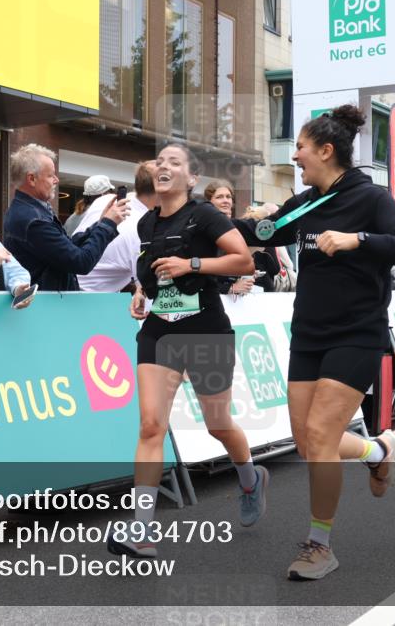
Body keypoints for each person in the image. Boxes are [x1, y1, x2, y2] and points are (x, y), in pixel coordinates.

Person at [234, 105, 395, 580]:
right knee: (307, 441)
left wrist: (357, 239)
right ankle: (379, 452)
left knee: (320, 436)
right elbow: (260, 234)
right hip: (309, 334)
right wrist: (201, 224)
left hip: (357, 333)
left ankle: (319, 545)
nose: (295, 155)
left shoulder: (370, 198)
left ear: (325, 150)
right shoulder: (303, 202)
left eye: (300, 147)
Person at [108, 143, 265, 559]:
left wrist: (192, 265)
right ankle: (142, 531)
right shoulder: (145, 225)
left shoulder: (205, 215)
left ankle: (249, 477)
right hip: (160, 329)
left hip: (206, 330)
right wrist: (141, 293)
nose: (163, 166)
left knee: (218, 424)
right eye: (160, 161)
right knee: (150, 426)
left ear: (191, 178)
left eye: (174, 163)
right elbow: (153, 270)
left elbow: (243, 261)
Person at [3, 144, 130, 291]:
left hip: (49, 305)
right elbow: (81, 262)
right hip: (49, 308)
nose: (56, 180)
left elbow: (68, 248)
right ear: (31, 179)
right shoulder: (34, 220)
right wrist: (108, 225)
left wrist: (100, 223)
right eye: (50, 175)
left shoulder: (30, 212)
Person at [73, 161, 158, 293]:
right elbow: (147, 293)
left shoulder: (105, 200)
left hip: (63, 285)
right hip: (89, 301)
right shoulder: (143, 230)